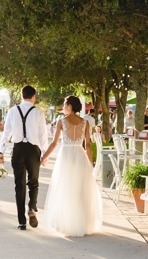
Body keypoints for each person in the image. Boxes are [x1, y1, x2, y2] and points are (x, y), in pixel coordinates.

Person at [41, 95, 103, 237]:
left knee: (65, 189)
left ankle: (66, 224)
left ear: (70, 106)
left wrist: (44, 157)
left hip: (66, 156)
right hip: (80, 156)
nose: (63, 106)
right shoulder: (85, 122)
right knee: (80, 190)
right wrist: (90, 163)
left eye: (64, 104)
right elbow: (88, 145)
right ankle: (80, 224)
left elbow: (54, 143)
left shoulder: (61, 121)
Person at [0, 85, 49, 230]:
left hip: (18, 149)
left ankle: (21, 221)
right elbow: (43, 136)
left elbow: (6, 133)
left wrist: (1, 152)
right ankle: (31, 208)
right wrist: (45, 155)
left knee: (19, 186)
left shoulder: (13, 111)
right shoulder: (38, 113)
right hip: (33, 150)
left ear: (22, 96)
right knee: (33, 182)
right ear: (34, 97)